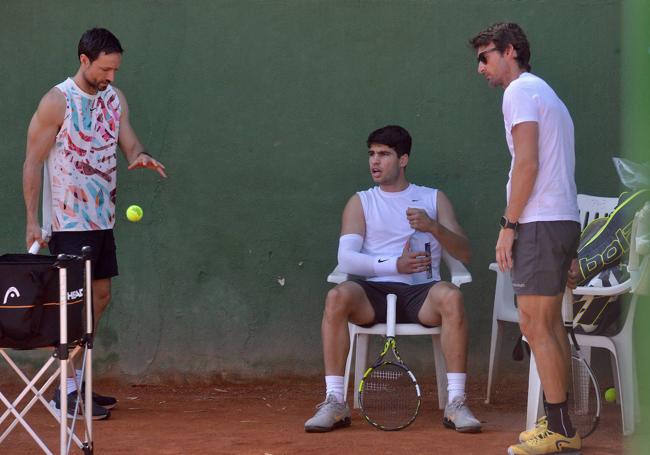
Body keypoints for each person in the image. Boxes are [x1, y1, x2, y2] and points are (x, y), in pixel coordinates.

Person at [23, 28, 167, 420]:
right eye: (105, 69)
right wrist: (33, 220)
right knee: (72, 307)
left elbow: (130, 143)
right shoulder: (57, 102)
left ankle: (79, 383)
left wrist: (141, 156)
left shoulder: (115, 99)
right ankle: (63, 392)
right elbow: (32, 162)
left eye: (116, 69)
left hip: (103, 219)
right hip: (67, 223)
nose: (111, 77)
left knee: (99, 299)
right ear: (84, 60)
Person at [304, 125, 481, 433]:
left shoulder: (433, 198)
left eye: (384, 154)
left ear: (403, 159)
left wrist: (433, 227)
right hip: (373, 293)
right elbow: (346, 259)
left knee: (452, 296)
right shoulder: (360, 202)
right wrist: (395, 265)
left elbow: (464, 253)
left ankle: (456, 402)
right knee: (336, 297)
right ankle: (334, 401)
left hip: (422, 294)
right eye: (372, 154)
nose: (375, 161)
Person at [470, 23, 582, 454]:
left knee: (536, 326)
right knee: (546, 326)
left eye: (486, 57)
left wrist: (508, 224)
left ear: (510, 51)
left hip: (539, 221)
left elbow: (528, 164)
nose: (480, 67)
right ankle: (560, 423)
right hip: (558, 219)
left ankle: (559, 431)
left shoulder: (518, 92)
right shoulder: (543, 92)